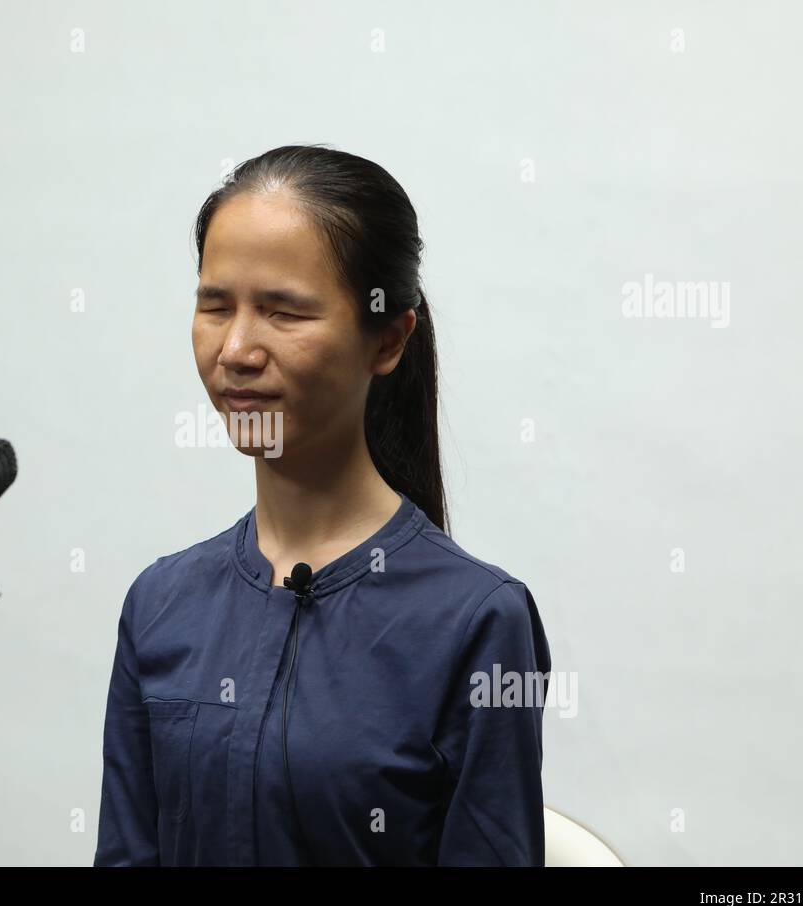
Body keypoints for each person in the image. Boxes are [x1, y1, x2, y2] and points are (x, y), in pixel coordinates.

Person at [94, 144, 552, 866]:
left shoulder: (477, 621)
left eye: (283, 312)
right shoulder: (160, 603)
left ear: (388, 338)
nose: (237, 349)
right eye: (215, 305)